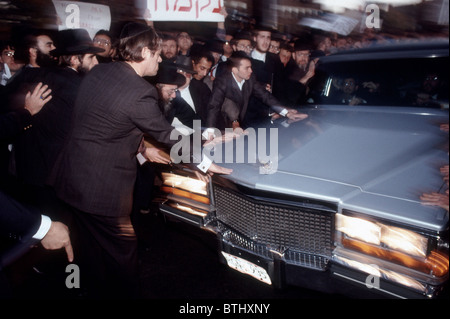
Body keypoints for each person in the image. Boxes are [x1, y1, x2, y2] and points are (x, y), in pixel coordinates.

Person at [48, 22, 231, 298]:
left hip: (71, 178)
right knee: (124, 254)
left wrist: (143, 148)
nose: (160, 58)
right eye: (157, 53)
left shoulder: (100, 71)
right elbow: (167, 134)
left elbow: (107, 123)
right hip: (101, 191)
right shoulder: (140, 91)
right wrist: (204, 163)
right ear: (144, 52)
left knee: (93, 251)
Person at [3, 28, 104, 211]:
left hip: (31, 174)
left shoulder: (39, 76)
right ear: (74, 59)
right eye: (91, 58)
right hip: (61, 177)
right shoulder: (80, 87)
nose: (96, 63)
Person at [206, 51, 308, 132]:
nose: (251, 70)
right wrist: (210, 130)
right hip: (222, 125)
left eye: (251, 67)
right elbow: (214, 106)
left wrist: (286, 113)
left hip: (240, 124)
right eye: (247, 68)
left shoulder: (250, 79)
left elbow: (265, 96)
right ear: (235, 70)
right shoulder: (222, 81)